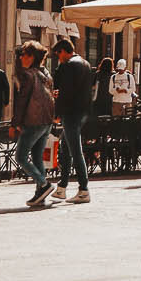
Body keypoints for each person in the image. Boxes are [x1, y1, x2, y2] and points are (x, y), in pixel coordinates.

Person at [11, 43, 57, 207]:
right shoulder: (46, 74)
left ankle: (43, 184)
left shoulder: (28, 75)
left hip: (33, 121)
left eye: (25, 54)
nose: (22, 57)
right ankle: (40, 194)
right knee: (37, 157)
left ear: (32, 57)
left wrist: (15, 123)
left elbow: (22, 101)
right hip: (46, 121)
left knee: (21, 157)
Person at [50, 38, 94, 203]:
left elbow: (66, 92)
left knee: (75, 150)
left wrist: (57, 112)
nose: (59, 58)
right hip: (83, 111)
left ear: (64, 51)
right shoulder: (85, 63)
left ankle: (84, 189)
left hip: (71, 112)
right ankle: (62, 187)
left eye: (59, 54)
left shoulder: (69, 65)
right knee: (66, 148)